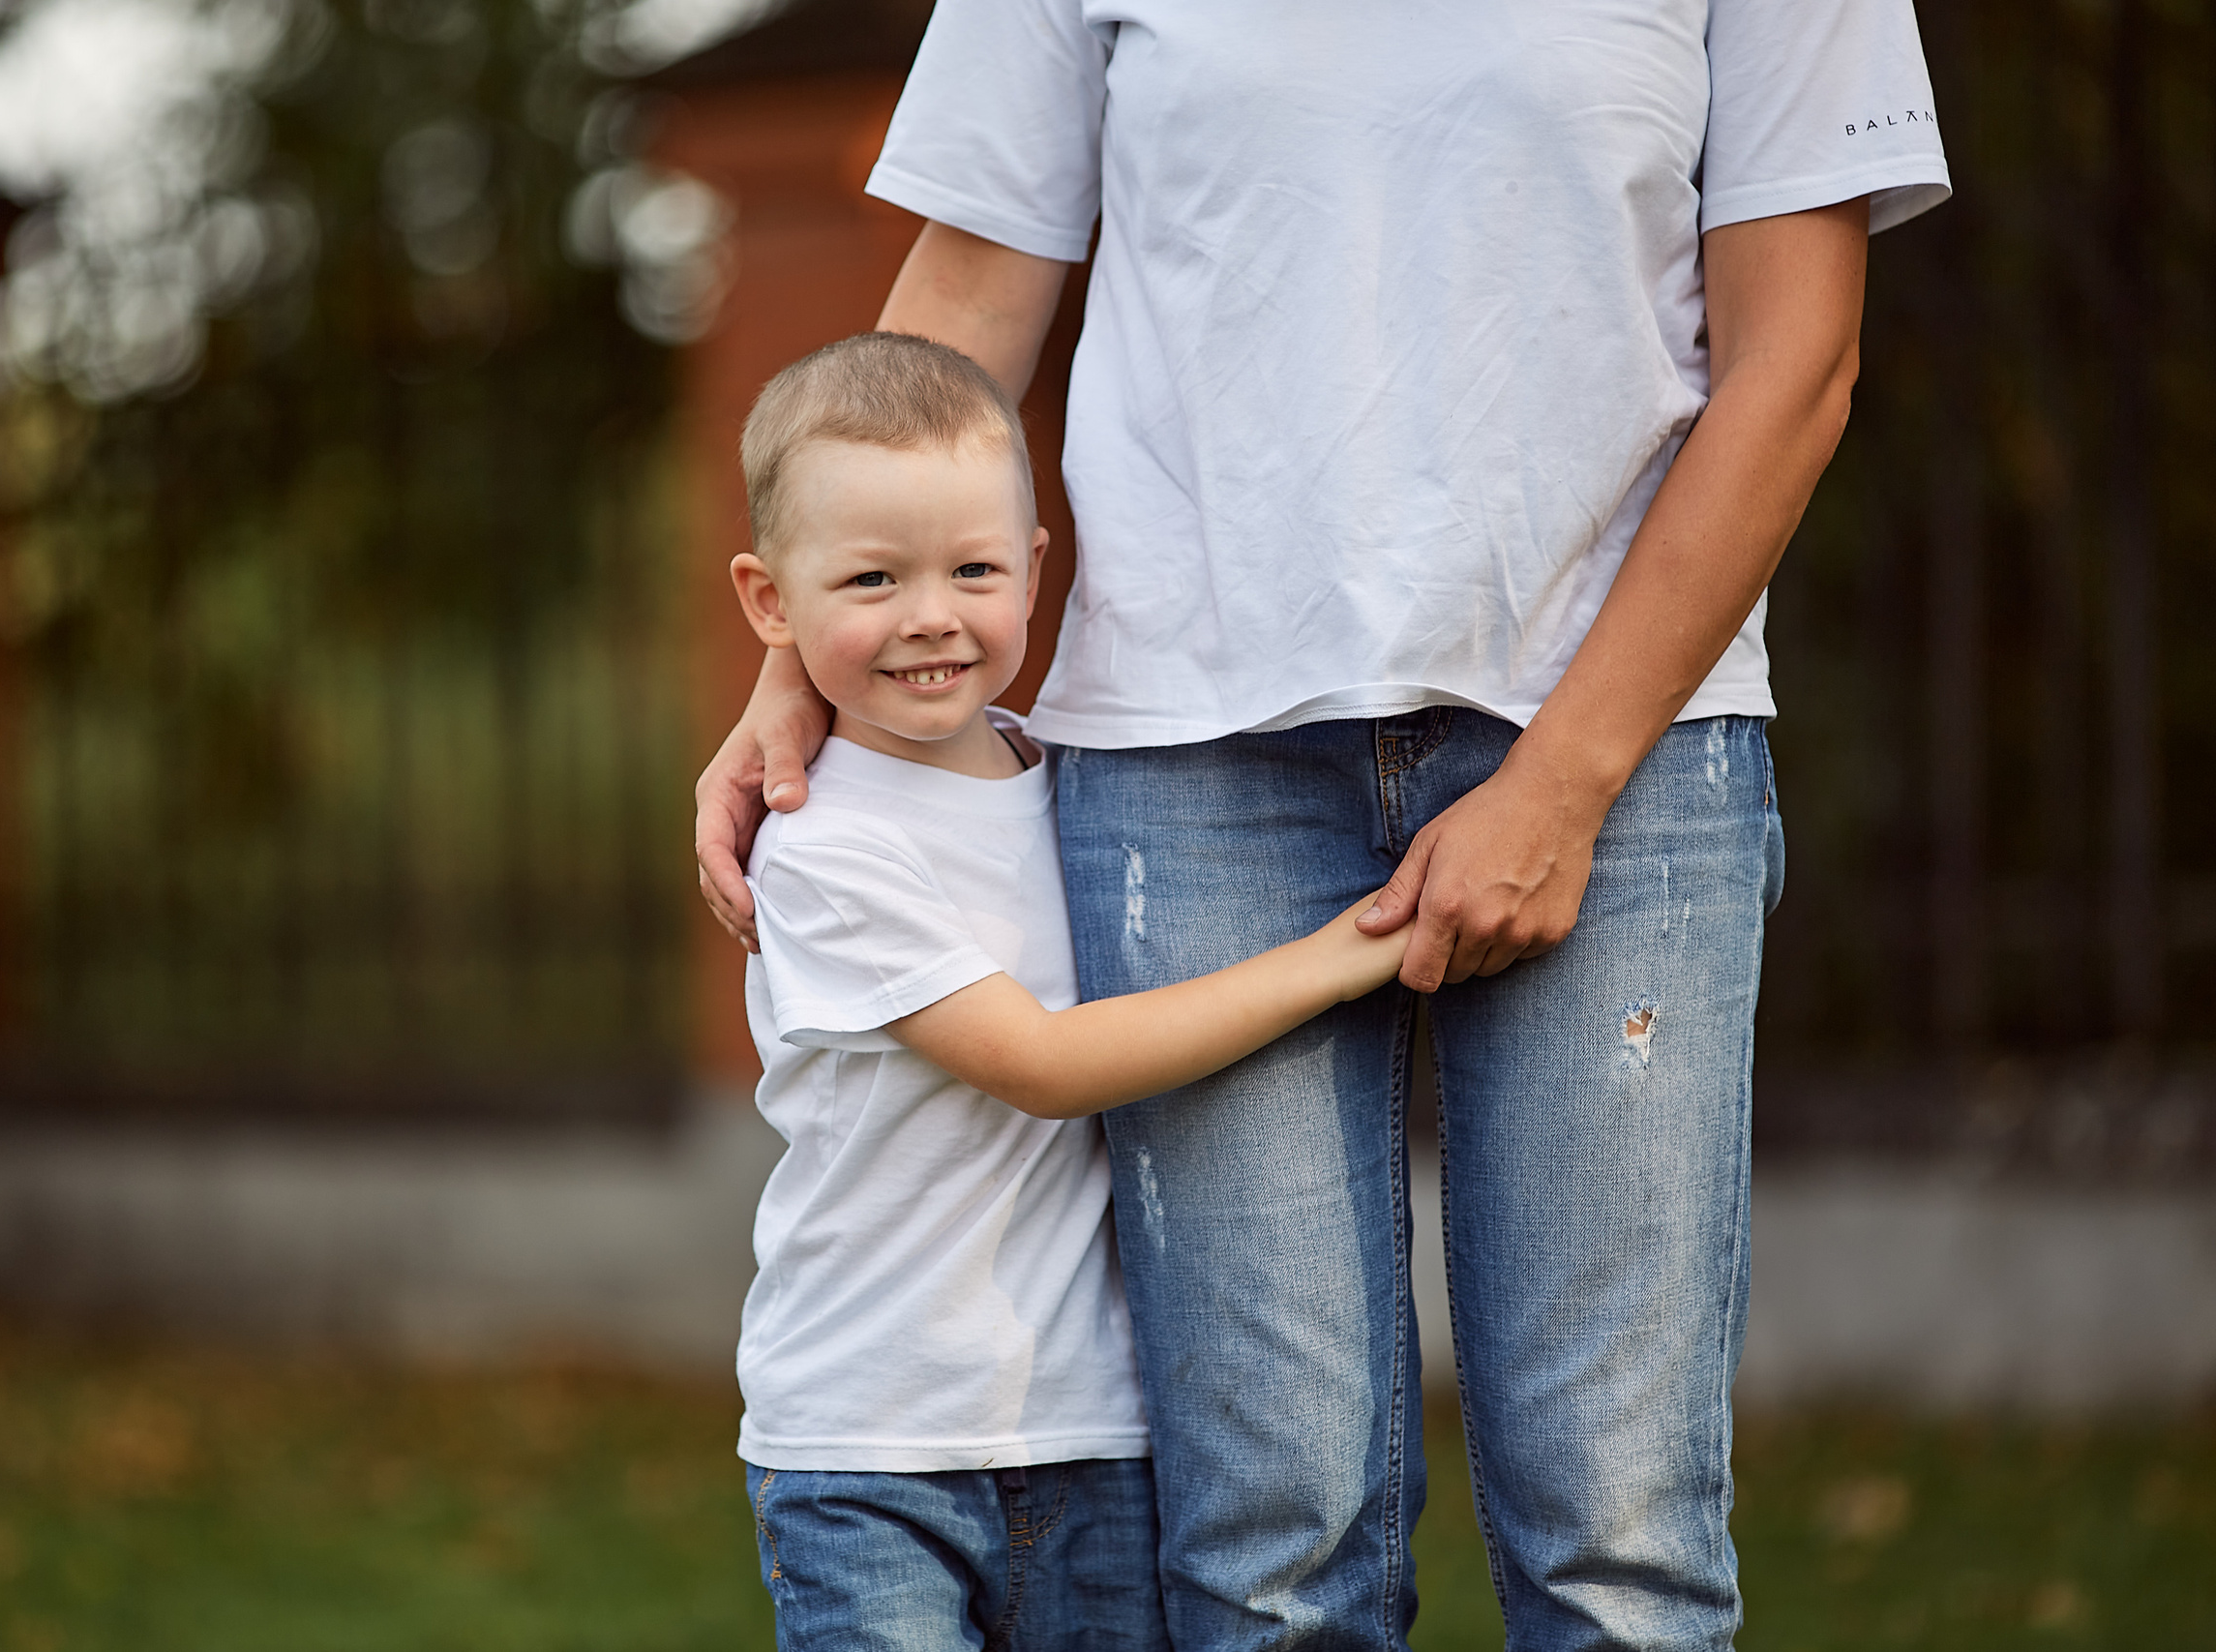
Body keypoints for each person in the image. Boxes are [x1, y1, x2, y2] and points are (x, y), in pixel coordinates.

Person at [698, 5, 1951, 1647]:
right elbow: (966, 292)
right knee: (1270, 1559)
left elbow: (1799, 361)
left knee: (1617, 1547)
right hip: (1190, 751)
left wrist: (1564, 781)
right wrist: (803, 662)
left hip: (1627, 739)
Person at [728, 332, 1412, 1651]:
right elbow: (1042, 1060)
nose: (933, 614)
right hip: (873, 1446)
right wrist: (1346, 952)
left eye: (974, 571)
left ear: (1036, 570)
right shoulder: (823, 844)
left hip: (1097, 1427)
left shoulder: (1073, 790)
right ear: (770, 601)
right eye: (871, 578)